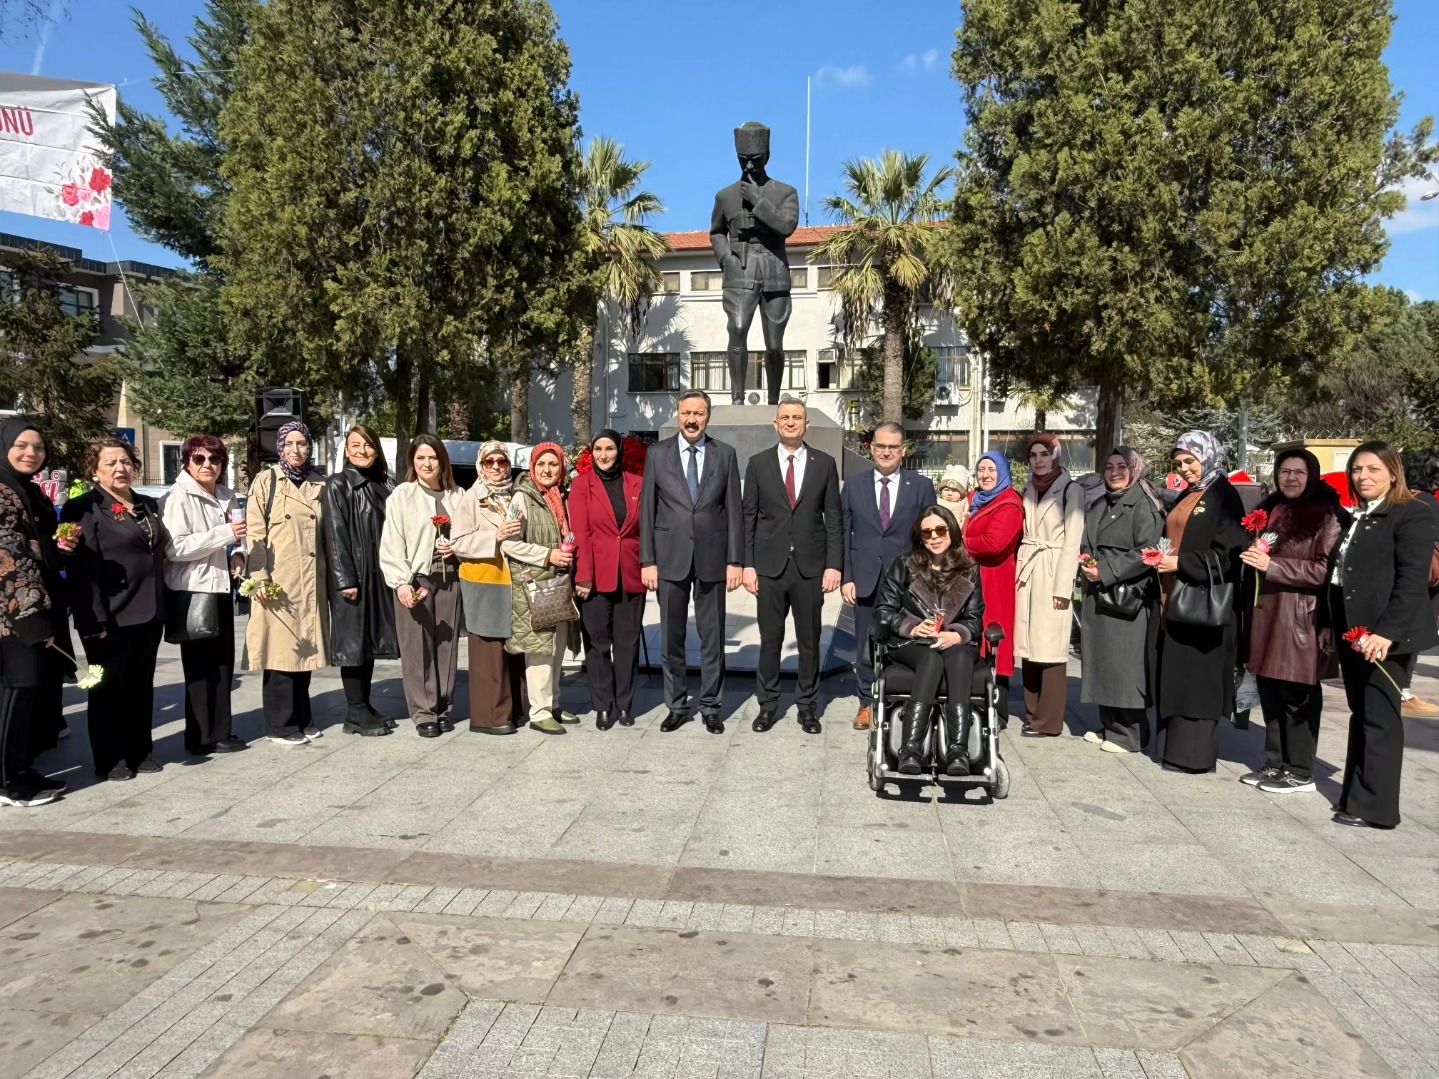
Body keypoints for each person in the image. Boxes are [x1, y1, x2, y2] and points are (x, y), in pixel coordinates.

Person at [1323, 442, 1437, 828]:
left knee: (1380, 718)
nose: (1363, 476)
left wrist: (1387, 633)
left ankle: (1377, 808)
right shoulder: (1362, 514)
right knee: (1363, 713)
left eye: (1373, 469)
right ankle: (1356, 796)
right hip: (1355, 631)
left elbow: (1411, 581)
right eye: (1357, 469)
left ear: (1393, 472)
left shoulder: (1411, 513)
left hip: (1386, 636)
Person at [1238, 448, 1345, 793]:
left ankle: (1299, 770)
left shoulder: (1326, 515)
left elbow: (1323, 570)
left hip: (1300, 619)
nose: (1291, 478)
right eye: (1285, 471)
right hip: (1267, 614)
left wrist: (1273, 566)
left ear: (1312, 476)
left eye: (1299, 472)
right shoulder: (1271, 508)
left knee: (1297, 696)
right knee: (1270, 691)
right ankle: (1275, 763)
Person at [61, 438, 167, 781]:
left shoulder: (148, 504)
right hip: (107, 615)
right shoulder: (84, 507)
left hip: (149, 611)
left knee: (140, 685)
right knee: (107, 690)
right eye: (111, 463)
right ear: (95, 470)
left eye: (125, 462)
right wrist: (93, 619)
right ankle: (110, 758)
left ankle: (140, 750)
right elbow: (80, 570)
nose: (120, 468)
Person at [639, 390, 743, 733]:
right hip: (670, 558)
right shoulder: (657, 454)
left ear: (708, 417)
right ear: (678, 414)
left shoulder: (725, 454)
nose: (692, 420)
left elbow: (734, 510)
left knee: (713, 636)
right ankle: (677, 705)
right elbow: (648, 510)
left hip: (713, 558)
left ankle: (711, 706)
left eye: (698, 413)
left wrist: (735, 560)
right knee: (672, 637)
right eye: (686, 413)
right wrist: (648, 560)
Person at [742, 399, 842, 734]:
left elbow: (834, 519)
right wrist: (747, 565)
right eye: (784, 417)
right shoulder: (758, 463)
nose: (790, 422)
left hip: (810, 568)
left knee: (809, 642)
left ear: (806, 424)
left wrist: (834, 565)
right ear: (775, 424)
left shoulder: (824, 463)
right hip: (769, 567)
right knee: (770, 640)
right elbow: (748, 517)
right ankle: (767, 706)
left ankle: (808, 707)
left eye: (796, 417)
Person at [1153, 431, 1246, 772]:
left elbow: (1230, 554)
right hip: (1175, 597)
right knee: (1179, 676)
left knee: (1198, 680)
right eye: (1179, 463)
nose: (1185, 469)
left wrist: (1181, 563)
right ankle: (1172, 749)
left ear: (1207, 457)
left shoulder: (1223, 495)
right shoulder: (1190, 492)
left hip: (1203, 602)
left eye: (1190, 461)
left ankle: (1193, 757)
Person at [874, 504, 985, 775]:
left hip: (953, 641)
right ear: (920, 537)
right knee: (931, 660)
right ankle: (910, 749)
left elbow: (975, 619)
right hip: (913, 642)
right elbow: (884, 611)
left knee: (960, 658)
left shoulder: (969, 569)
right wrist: (912, 626)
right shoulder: (905, 565)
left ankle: (958, 751)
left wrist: (956, 633)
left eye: (940, 530)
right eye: (927, 533)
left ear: (951, 531)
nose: (934, 537)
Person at [840, 422, 936, 730]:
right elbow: (843, 533)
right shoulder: (854, 485)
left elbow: (931, 535)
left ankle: (901, 702)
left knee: (906, 639)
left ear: (903, 450)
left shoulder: (921, 486)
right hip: (865, 577)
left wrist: (927, 578)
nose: (886, 452)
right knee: (865, 644)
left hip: (908, 581)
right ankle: (867, 702)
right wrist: (847, 577)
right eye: (880, 446)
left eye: (893, 447)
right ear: (871, 448)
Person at [161, 435, 248, 756]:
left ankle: (221, 731)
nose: (207, 465)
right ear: (187, 462)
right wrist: (224, 535)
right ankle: (198, 736)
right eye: (199, 459)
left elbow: (239, 536)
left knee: (223, 665)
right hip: (194, 589)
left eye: (214, 459)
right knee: (199, 668)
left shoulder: (227, 495)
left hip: (222, 587)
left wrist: (239, 554)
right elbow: (176, 548)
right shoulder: (178, 497)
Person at [244, 420, 329, 746]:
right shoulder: (267, 481)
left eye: (302, 443)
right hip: (279, 582)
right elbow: (255, 532)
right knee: (280, 653)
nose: (296, 450)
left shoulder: (319, 483)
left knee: (304, 651)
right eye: (290, 443)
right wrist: (260, 579)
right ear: (280, 447)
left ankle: (302, 717)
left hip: (310, 581)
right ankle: (280, 724)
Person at [0, 418, 71, 807]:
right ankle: (7, 782)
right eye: (22, 446)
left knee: (32, 691)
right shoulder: (2, 490)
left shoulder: (27, 490)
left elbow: (36, 546)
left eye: (39, 447)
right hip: (13, 613)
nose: (31, 453)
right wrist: (29, 614)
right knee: (17, 688)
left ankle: (22, 768)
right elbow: (7, 555)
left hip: (37, 603)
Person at [378, 435, 465, 739]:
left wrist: (457, 548)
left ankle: (442, 706)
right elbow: (392, 541)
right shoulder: (403, 495)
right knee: (417, 647)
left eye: (433, 458)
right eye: (420, 458)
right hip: (416, 577)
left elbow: (469, 535)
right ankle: (423, 711)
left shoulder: (457, 495)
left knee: (446, 644)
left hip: (450, 578)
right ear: (412, 463)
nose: (427, 464)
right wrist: (400, 581)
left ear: (442, 461)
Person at [1078, 447, 1163, 754]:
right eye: (1109, 466)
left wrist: (1106, 570)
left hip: (1127, 596)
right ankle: (1111, 726)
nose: (1114, 472)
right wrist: (1087, 561)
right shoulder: (1102, 501)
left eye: (1122, 466)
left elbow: (1149, 551)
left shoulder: (1144, 504)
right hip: (1100, 591)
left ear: (1135, 469)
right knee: (1104, 662)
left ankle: (1130, 735)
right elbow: (1088, 540)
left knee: (1124, 666)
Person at [323, 424, 398, 736]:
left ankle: (363, 706)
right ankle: (354, 711)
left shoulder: (386, 483)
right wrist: (345, 579)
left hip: (379, 574)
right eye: (355, 445)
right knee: (353, 644)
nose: (362, 451)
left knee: (367, 642)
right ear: (346, 450)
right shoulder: (338, 484)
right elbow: (335, 533)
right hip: (354, 575)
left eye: (367, 445)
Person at [450, 441, 528, 734]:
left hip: (514, 581)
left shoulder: (516, 495)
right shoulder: (471, 498)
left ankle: (515, 710)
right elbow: (458, 542)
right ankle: (489, 717)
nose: (496, 467)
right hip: (485, 581)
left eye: (501, 462)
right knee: (489, 653)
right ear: (480, 466)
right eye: (489, 462)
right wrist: (494, 537)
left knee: (514, 649)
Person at [503, 442, 580, 734]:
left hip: (558, 583)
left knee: (557, 648)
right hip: (534, 584)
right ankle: (539, 712)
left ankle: (553, 703)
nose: (547, 470)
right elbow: (509, 543)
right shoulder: (523, 498)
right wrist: (547, 555)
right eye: (541, 465)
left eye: (553, 464)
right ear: (532, 468)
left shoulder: (559, 496)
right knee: (540, 651)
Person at [570, 430, 645, 730]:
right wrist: (584, 576)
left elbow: (645, 530)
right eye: (598, 449)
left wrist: (649, 566)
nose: (604, 455)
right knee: (597, 644)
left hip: (630, 575)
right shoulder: (581, 485)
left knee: (627, 644)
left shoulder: (637, 483)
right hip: (595, 578)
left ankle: (625, 704)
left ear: (619, 451)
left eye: (610, 448)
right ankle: (603, 705)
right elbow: (581, 533)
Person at [1013, 434, 1084, 737]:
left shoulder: (1071, 489)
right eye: (1033, 455)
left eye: (1044, 454)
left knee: (1051, 647)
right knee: (1029, 646)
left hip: (1053, 568)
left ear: (1055, 456)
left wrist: (1062, 588)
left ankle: (1049, 721)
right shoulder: (1029, 487)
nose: (1038, 460)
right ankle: (1032, 713)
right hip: (1029, 567)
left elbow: (1072, 540)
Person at [963, 452, 1023, 710]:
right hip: (970, 579)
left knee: (994, 638)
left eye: (991, 470)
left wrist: (960, 542)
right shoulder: (973, 499)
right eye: (981, 469)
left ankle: (997, 708)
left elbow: (994, 543)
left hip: (996, 580)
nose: (985, 475)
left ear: (1002, 472)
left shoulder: (1010, 503)